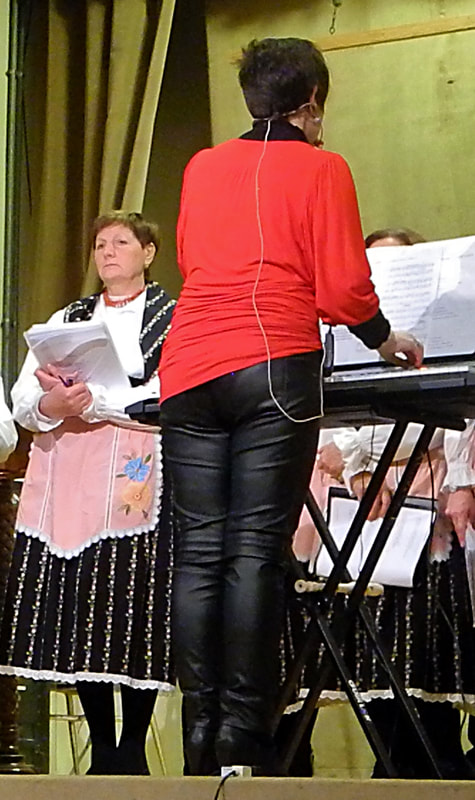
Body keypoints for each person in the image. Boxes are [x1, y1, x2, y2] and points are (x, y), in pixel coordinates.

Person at [157, 38, 424, 774]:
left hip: (188, 365)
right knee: (252, 551)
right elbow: (341, 288)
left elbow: (191, 259)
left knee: (199, 552)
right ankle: (242, 740)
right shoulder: (321, 167)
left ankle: (198, 738)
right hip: (271, 362)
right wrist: (385, 337)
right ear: (312, 101)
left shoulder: (202, 165)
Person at [290, 228, 475, 778]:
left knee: (428, 634)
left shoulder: (442, 328)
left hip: (424, 484)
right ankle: (390, 757)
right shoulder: (346, 335)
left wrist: (447, 475)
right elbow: (334, 413)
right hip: (365, 493)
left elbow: (455, 414)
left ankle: (434, 758)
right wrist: (358, 466)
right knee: (371, 634)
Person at [0, 211, 176, 774]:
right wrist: (52, 403)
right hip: (71, 468)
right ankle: (102, 746)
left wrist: (100, 401)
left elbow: (172, 387)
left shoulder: (173, 317)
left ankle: (133, 746)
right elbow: (24, 397)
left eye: (121, 242)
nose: (108, 252)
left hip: (135, 466)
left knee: (132, 597)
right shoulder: (68, 318)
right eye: (100, 244)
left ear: (148, 253)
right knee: (84, 601)